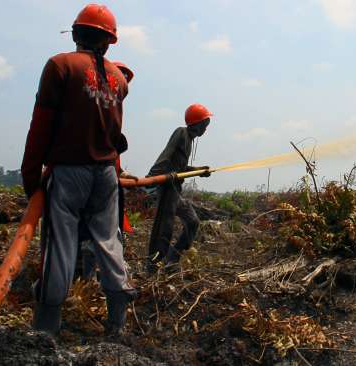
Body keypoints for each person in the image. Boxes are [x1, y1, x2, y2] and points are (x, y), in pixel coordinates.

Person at [20, 4, 135, 337]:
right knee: (109, 242)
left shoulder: (60, 66)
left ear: (75, 34)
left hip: (68, 173)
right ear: (110, 41)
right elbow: (114, 133)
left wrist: (31, 179)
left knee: (59, 246)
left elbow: (40, 126)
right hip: (105, 176)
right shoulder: (118, 79)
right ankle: (117, 324)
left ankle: (46, 330)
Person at [80, 62, 136, 281]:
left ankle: (94, 282)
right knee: (92, 234)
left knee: (102, 234)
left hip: (106, 181)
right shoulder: (92, 111)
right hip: (87, 180)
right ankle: (89, 283)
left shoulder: (112, 116)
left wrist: (120, 173)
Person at [146, 104, 212, 271]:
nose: (206, 128)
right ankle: (154, 266)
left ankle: (172, 258)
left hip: (176, 190)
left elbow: (180, 170)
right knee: (164, 230)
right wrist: (152, 177)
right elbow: (166, 156)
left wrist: (199, 171)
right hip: (167, 188)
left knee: (193, 222)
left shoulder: (189, 140)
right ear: (197, 123)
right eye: (205, 123)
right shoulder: (181, 133)